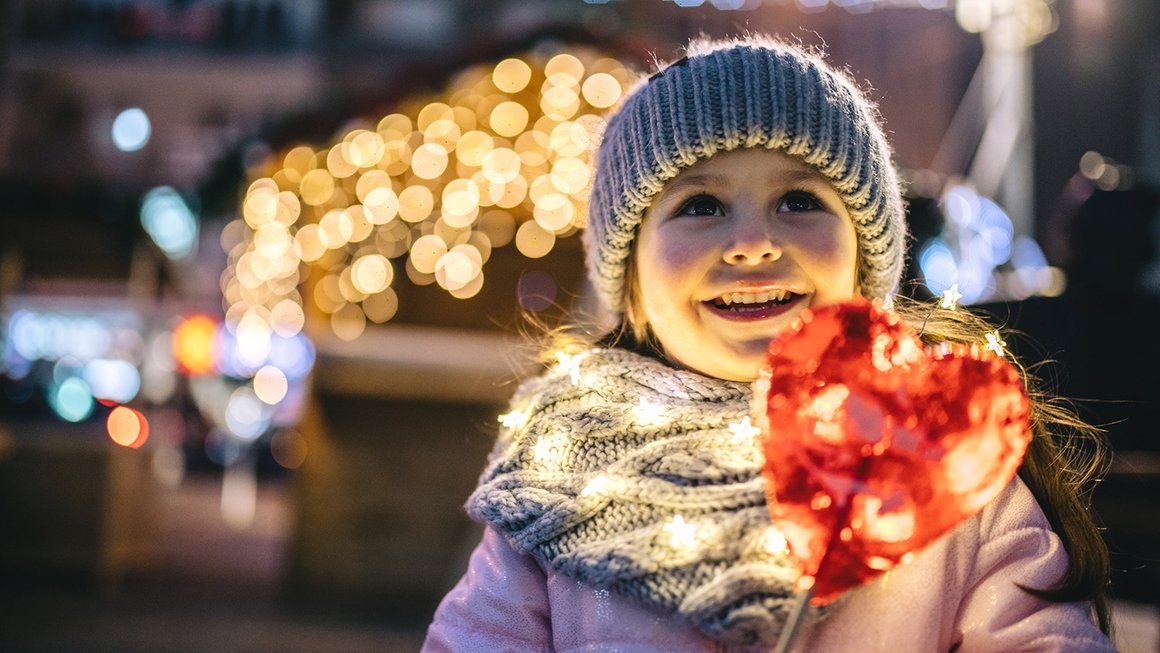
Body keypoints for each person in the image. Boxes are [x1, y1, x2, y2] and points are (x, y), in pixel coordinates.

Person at [422, 36, 1117, 652]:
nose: (753, 244)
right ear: (630, 275)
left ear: (865, 255)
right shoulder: (562, 472)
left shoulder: (939, 450)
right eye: (701, 206)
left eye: (799, 201)